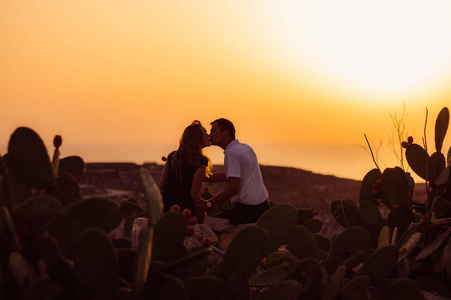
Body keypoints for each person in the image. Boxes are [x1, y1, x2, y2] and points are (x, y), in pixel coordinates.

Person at [195, 118, 269, 225]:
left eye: (213, 131)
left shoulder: (231, 153)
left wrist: (208, 204)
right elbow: (232, 175)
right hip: (263, 206)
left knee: (207, 226)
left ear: (225, 132)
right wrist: (206, 177)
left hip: (247, 210)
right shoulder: (246, 148)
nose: (210, 135)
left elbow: (234, 187)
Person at [159, 120, 211, 218]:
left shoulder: (173, 156)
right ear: (197, 138)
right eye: (205, 133)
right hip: (185, 210)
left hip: (165, 207)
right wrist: (203, 211)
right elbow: (194, 194)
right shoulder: (201, 161)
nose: (208, 135)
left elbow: (161, 184)